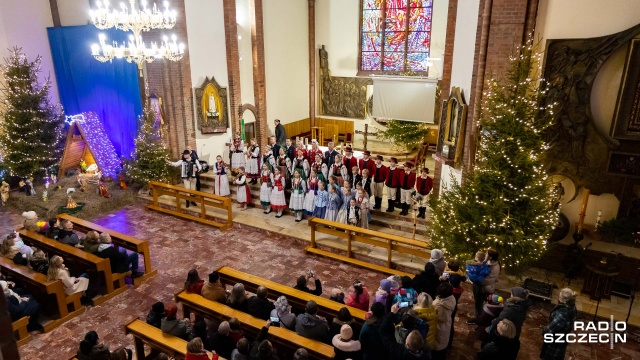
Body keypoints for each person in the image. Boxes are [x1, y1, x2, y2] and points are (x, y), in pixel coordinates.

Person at [540, 288, 578, 360]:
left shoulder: (563, 313)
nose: (558, 298)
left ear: (565, 300)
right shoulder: (572, 306)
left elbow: (550, 329)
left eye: (560, 297)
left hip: (556, 340)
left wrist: (544, 331)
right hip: (563, 338)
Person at [466, 250, 497, 325]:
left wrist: (476, 280)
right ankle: (478, 317)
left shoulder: (495, 267)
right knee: (478, 302)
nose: (485, 254)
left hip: (483, 287)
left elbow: (490, 279)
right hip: (478, 285)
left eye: (487, 254)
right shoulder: (486, 263)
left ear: (491, 257)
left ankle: (479, 320)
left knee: (479, 303)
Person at [431, 283, 456, 360]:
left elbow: (432, 314)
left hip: (437, 325)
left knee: (437, 344)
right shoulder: (452, 299)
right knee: (443, 342)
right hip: (447, 323)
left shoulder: (437, 304)